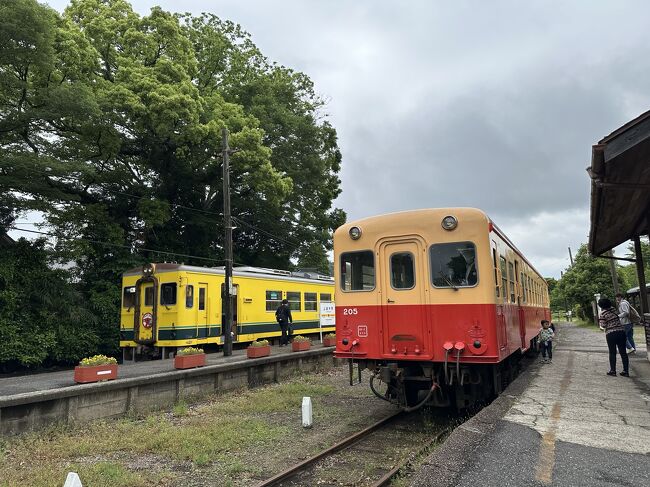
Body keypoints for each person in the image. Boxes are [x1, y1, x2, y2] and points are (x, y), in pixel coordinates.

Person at [598, 297, 629, 377]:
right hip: (621, 332)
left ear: (601, 306)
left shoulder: (603, 313)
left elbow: (603, 325)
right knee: (623, 352)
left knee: (612, 352)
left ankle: (613, 370)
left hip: (611, 333)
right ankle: (626, 371)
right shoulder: (614, 310)